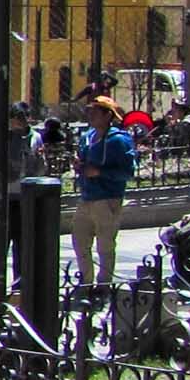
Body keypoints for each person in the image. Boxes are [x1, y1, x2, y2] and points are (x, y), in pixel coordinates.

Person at [75, 97, 138, 287]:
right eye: (90, 110)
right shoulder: (87, 137)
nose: (91, 115)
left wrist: (100, 172)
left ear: (108, 115)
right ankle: (85, 283)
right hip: (86, 197)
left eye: (96, 111)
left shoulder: (119, 140)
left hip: (107, 199)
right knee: (80, 242)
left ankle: (104, 285)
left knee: (105, 246)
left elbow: (128, 172)